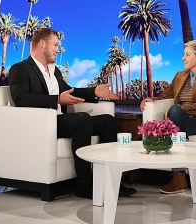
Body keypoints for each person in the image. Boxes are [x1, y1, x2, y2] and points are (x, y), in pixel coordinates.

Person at [9, 28, 136, 199]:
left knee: (108, 121)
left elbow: (69, 92)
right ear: (42, 44)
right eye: (55, 45)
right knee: (81, 119)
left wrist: (94, 92)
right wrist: (56, 101)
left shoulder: (54, 71)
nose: (57, 49)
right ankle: (84, 185)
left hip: (60, 121)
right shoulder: (20, 69)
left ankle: (109, 180)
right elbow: (21, 98)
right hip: (41, 123)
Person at [140, 40, 196, 194]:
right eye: (184, 54)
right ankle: (180, 176)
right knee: (175, 116)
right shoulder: (180, 75)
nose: (183, 58)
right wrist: (151, 100)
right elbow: (166, 95)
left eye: (187, 54)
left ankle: (179, 178)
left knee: (175, 112)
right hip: (180, 120)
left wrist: (183, 108)